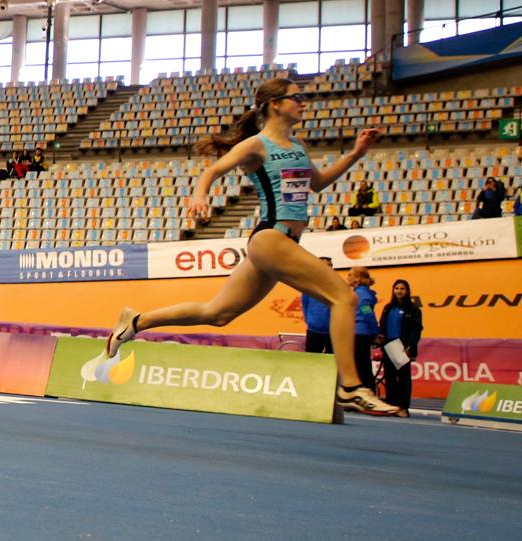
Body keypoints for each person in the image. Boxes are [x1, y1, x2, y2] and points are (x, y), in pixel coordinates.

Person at [103, 75, 400, 415]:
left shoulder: (298, 147)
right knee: (344, 297)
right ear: (275, 104)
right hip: (270, 238)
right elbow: (212, 171)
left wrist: (358, 153)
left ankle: (135, 321)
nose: (302, 102)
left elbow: (317, 183)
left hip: (279, 243)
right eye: (296, 97)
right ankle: (350, 385)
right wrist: (200, 196)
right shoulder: (257, 145)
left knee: (217, 313)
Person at [379, 278, 424, 418]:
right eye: (396, 288)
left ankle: (403, 407)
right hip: (388, 346)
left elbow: (416, 330)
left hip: (403, 347)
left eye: (402, 288)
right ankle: (392, 406)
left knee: (403, 379)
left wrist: (410, 346)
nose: (399, 291)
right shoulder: (388, 308)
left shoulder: (413, 309)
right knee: (390, 377)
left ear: (407, 291)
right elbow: (382, 325)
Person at [299, 256, 338, 354]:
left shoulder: (337, 285)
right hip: (314, 330)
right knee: (312, 361)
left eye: (330, 265)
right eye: (325, 265)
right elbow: (305, 304)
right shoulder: (309, 285)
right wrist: (310, 321)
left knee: (332, 362)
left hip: (333, 331)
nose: (328, 268)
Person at [350, 266, 380, 389]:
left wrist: (375, 332)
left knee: (362, 368)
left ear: (357, 278)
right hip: (358, 333)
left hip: (360, 334)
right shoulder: (359, 292)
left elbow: (367, 312)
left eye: (350, 274)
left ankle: (369, 393)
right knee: (362, 367)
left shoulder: (362, 294)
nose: (348, 277)